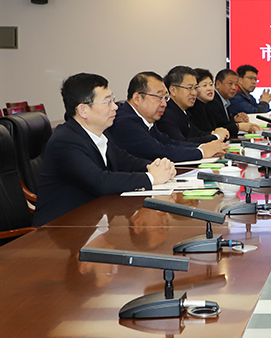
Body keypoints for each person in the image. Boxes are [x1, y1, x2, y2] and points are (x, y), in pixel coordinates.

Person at [32, 73, 174, 226]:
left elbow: (127, 162)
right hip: (61, 230)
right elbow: (100, 182)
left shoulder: (101, 134)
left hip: (93, 221)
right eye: (107, 102)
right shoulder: (65, 141)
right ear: (83, 110)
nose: (115, 107)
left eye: (113, 99)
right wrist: (151, 178)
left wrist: (157, 166)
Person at [106, 71, 224, 163]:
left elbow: (169, 143)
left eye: (165, 98)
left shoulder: (145, 119)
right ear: (137, 98)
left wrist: (203, 147)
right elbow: (159, 151)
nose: (164, 104)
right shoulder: (125, 122)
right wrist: (202, 152)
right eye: (159, 97)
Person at [157, 65, 231, 144]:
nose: (194, 93)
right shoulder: (165, 114)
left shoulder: (184, 112)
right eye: (189, 88)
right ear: (173, 90)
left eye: (195, 88)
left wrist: (214, 134)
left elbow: (197, 134)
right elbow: (181, 143)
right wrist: (216, 136)